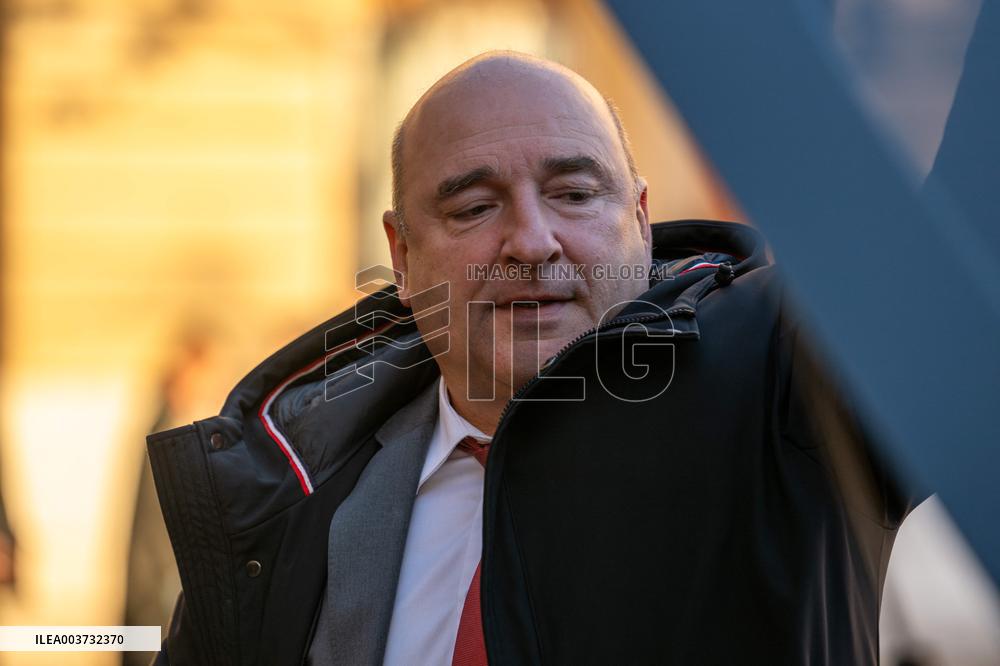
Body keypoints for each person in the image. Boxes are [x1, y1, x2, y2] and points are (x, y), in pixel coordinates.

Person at [147, 52, 921, 665]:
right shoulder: (286, 496)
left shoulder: (782, 391)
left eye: (576, 194)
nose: (532, 241)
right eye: (475, 207)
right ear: (401, 253)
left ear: (642, 220)